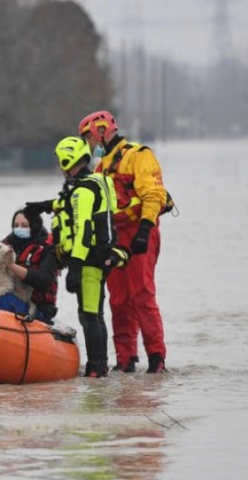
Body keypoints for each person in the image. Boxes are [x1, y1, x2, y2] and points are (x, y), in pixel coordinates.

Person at [26, 137, 129, 378]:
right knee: (94, 314)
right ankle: (100, 365)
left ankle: (96, 369)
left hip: (88, 261)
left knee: (89, 316)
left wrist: (75, 267)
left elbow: (84, 228)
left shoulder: (81, 190)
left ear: (66, 160)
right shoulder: (97, 181)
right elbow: (73, 205)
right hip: (99, 257)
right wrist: (44, 205)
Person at [79, 110, 168, 373]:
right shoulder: (100, 166)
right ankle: (126, 358)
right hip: (114, 235)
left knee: (142, 295)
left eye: (89, 137)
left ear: (101, 131)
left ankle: (156, 357)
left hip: (140, 231)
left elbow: (153, 195)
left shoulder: (138, 156)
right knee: (118, 299)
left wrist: (144, 229)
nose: (89, 144)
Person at [0, 209, 60, 324]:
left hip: (39, 307)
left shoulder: (48, 249)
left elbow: (44, 280)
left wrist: (11, 266)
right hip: (17, 297)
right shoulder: (10, 243)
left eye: (24, 225)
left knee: (2, 297)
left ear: (34, 226)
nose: (19, 229)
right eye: (16, 225)